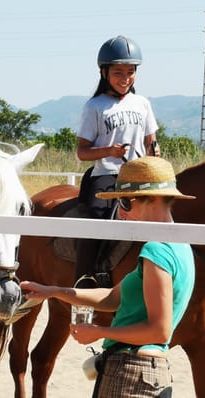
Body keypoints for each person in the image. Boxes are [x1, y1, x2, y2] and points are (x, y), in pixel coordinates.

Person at [21, 156, 196, 397]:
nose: (120, 214)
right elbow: (113, 297)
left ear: (153, 200)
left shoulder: (156, 250)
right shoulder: (180, 246)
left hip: (130, 374)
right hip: (147, 373)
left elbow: (159, 331)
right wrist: (52, 291)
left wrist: (100, 332)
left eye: (125, 203)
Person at [75, 35, 160, 288]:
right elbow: (82, 152)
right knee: (96, 217)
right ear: (104, 73)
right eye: (118, 72)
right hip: (107, 174)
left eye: (131, 72)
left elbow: (151, 142)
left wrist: (155, 158)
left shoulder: (142, 103)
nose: (125, 78)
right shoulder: (95, 107)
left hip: (140, 175)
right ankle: (85, 277)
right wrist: (108, 151)